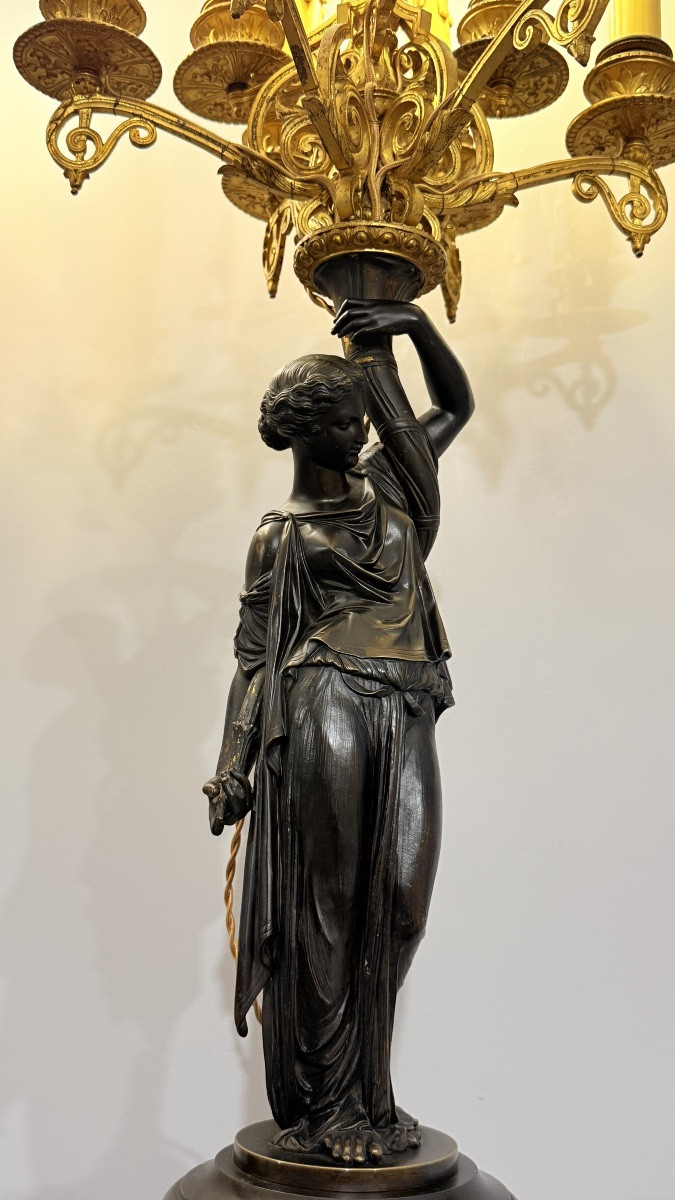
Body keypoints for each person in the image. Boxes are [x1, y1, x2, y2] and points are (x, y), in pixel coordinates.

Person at [203, 298, 474, 1165]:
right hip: (322, 701)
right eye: (347, 420)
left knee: (400, 904)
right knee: (329, 908)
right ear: (303, 430)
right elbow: (253, 659)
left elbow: (455, 406)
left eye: (365, 418)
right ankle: (333, 1109)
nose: (364, 432)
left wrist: (412, 328)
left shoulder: (393, 486)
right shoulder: (278, 538)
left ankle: (368, 1093)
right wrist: (233, 764)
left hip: (407, 702)